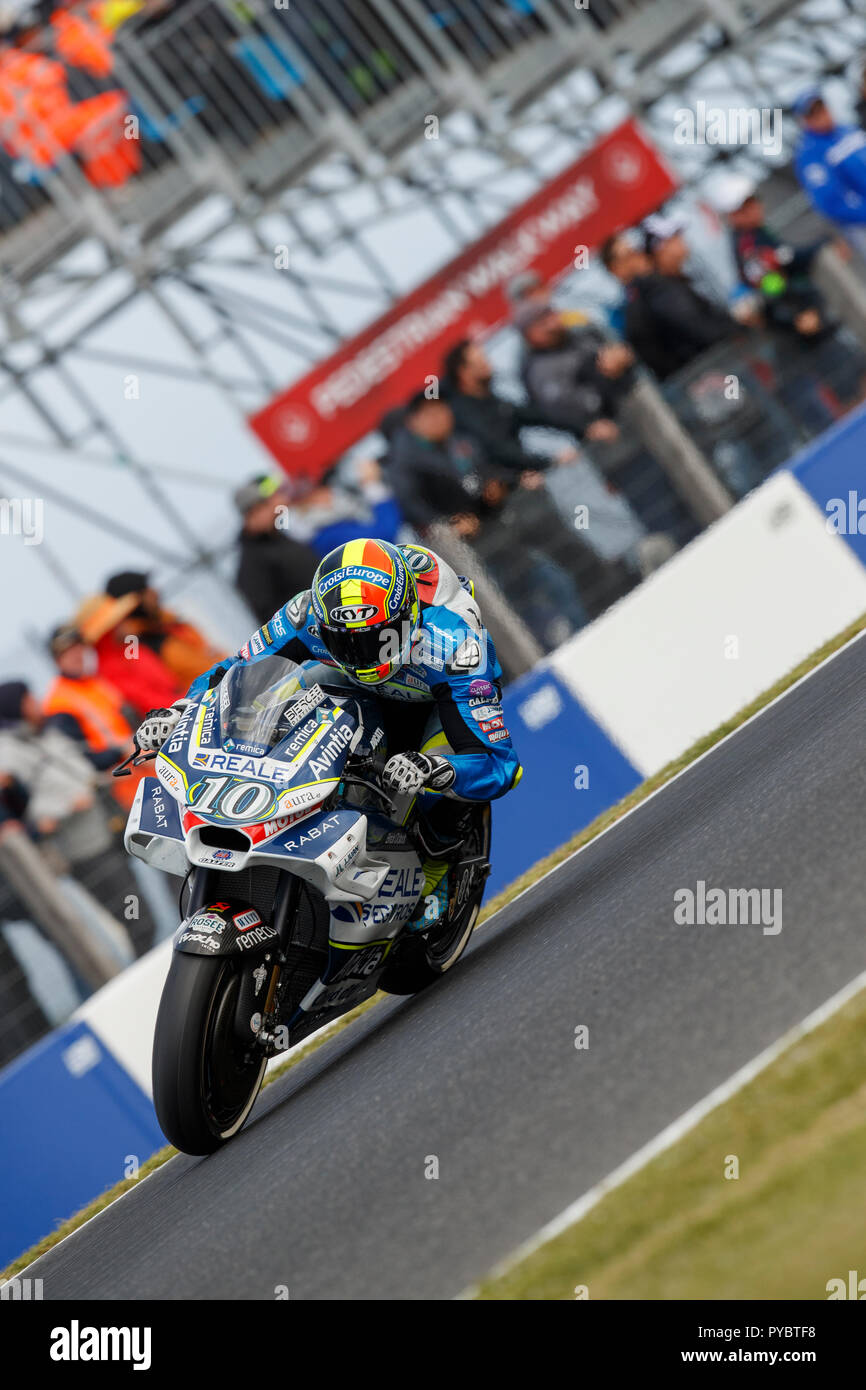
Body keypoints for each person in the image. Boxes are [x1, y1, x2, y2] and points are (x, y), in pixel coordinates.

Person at [134, 539, 521, 923]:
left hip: (431, 697)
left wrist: (435, 769)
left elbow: (500, 764)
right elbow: (233, 671)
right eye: (346, 640)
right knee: (280, 692)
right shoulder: (305, 615)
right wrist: (180, 711)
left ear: (406, 618)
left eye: (375, 639)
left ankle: (436, 875)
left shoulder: (455, 643)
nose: (363, 653)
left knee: (433, 778)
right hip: (345, 682)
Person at [0, 680, 154, 956]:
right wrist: (62, 808)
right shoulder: (8, 759)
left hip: (105, 826)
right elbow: (20, 818)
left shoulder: (46, 733)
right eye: (27, 700)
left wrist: (123, 750)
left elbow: (83, 764)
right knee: (137, 921)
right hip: (81, 851)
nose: (35, 702)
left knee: (141, 916)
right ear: (15, 709)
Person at [42, 623, 143, 809]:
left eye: (78, 646)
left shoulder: (95, 682)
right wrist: (122, 750)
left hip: (144, 770)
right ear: (57, 660)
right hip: (118, 788)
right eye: (67, 651)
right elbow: (77, 757)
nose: (77, 654)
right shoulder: (58, 702)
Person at [104, 570, 225, 691]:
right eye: (146, 589)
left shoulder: (172, 623)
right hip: (211, 701)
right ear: (135, 602)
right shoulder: (139, 648)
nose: (155, 592)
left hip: (231, 684)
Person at [234, 473, 320, 624]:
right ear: (252, 513)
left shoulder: (279, 536)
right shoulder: (251, 563)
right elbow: (271, 617)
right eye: (266, 505)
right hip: (315, 627)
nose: (274, 507)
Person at [793, 88, 866, 261]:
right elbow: (830, 201)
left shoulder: (848, 129)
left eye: (821, 108)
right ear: (804, 120)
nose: (821, 114)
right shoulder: (809, 155)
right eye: (812, 113)